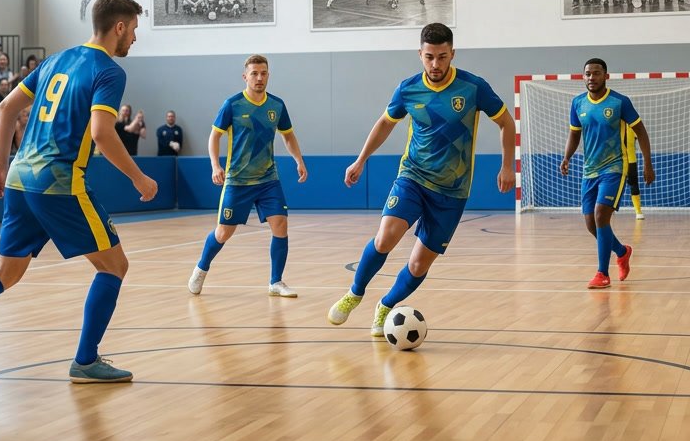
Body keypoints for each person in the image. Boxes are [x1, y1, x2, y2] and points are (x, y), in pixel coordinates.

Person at [0, 0, 157, 384]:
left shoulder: (55, 60)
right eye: (134, 31)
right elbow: (102, 133)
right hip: (58, 183)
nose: (135, 40)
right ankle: (86, 361)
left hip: (21, 179)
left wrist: (0, 165)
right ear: (120, 27)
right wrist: (138, 177)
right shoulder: (109, 71)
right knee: (115, 266)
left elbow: (7, 108)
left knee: (6, 272)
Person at [327, 23, 515, 335]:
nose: (436, 64)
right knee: (385, 237)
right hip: (413, 176)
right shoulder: (408, 88)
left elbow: (506, 123)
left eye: (442, 57)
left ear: (452, 53)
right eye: (429, 57)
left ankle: (385, 305)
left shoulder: (473, 87)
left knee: (418, 266)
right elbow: (385, 123)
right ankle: (354, 293)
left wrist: (507, 165)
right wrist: (361, 159)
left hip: (452, 191)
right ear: (420, 54)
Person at [189, 55, 308, 298]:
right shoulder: (232, 105)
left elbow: (288, 135)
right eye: (254, 73)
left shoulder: (277, 105)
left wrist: (298, 160)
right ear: (245, 77)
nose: (259, 78)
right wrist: (215, 165)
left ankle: (276, 281)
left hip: (268, 180)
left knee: (281, 225)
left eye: (263, 73)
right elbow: (215, 136)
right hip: (238, 181)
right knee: (223, 232)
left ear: (268, 75)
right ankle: (201, 268)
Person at [559, 58, 653, 288]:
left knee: (601, 215)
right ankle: (622, 252)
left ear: (606, 76)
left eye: (597, 73)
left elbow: (641, 132)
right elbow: (575, 134)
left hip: (615, 168)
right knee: (591, 224)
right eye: (588, 74)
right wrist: (567, 156)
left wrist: (647, 164)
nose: (592, 78)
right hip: (589, 170)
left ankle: (602, 273)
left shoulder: (620, 102)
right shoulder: (578, 103)